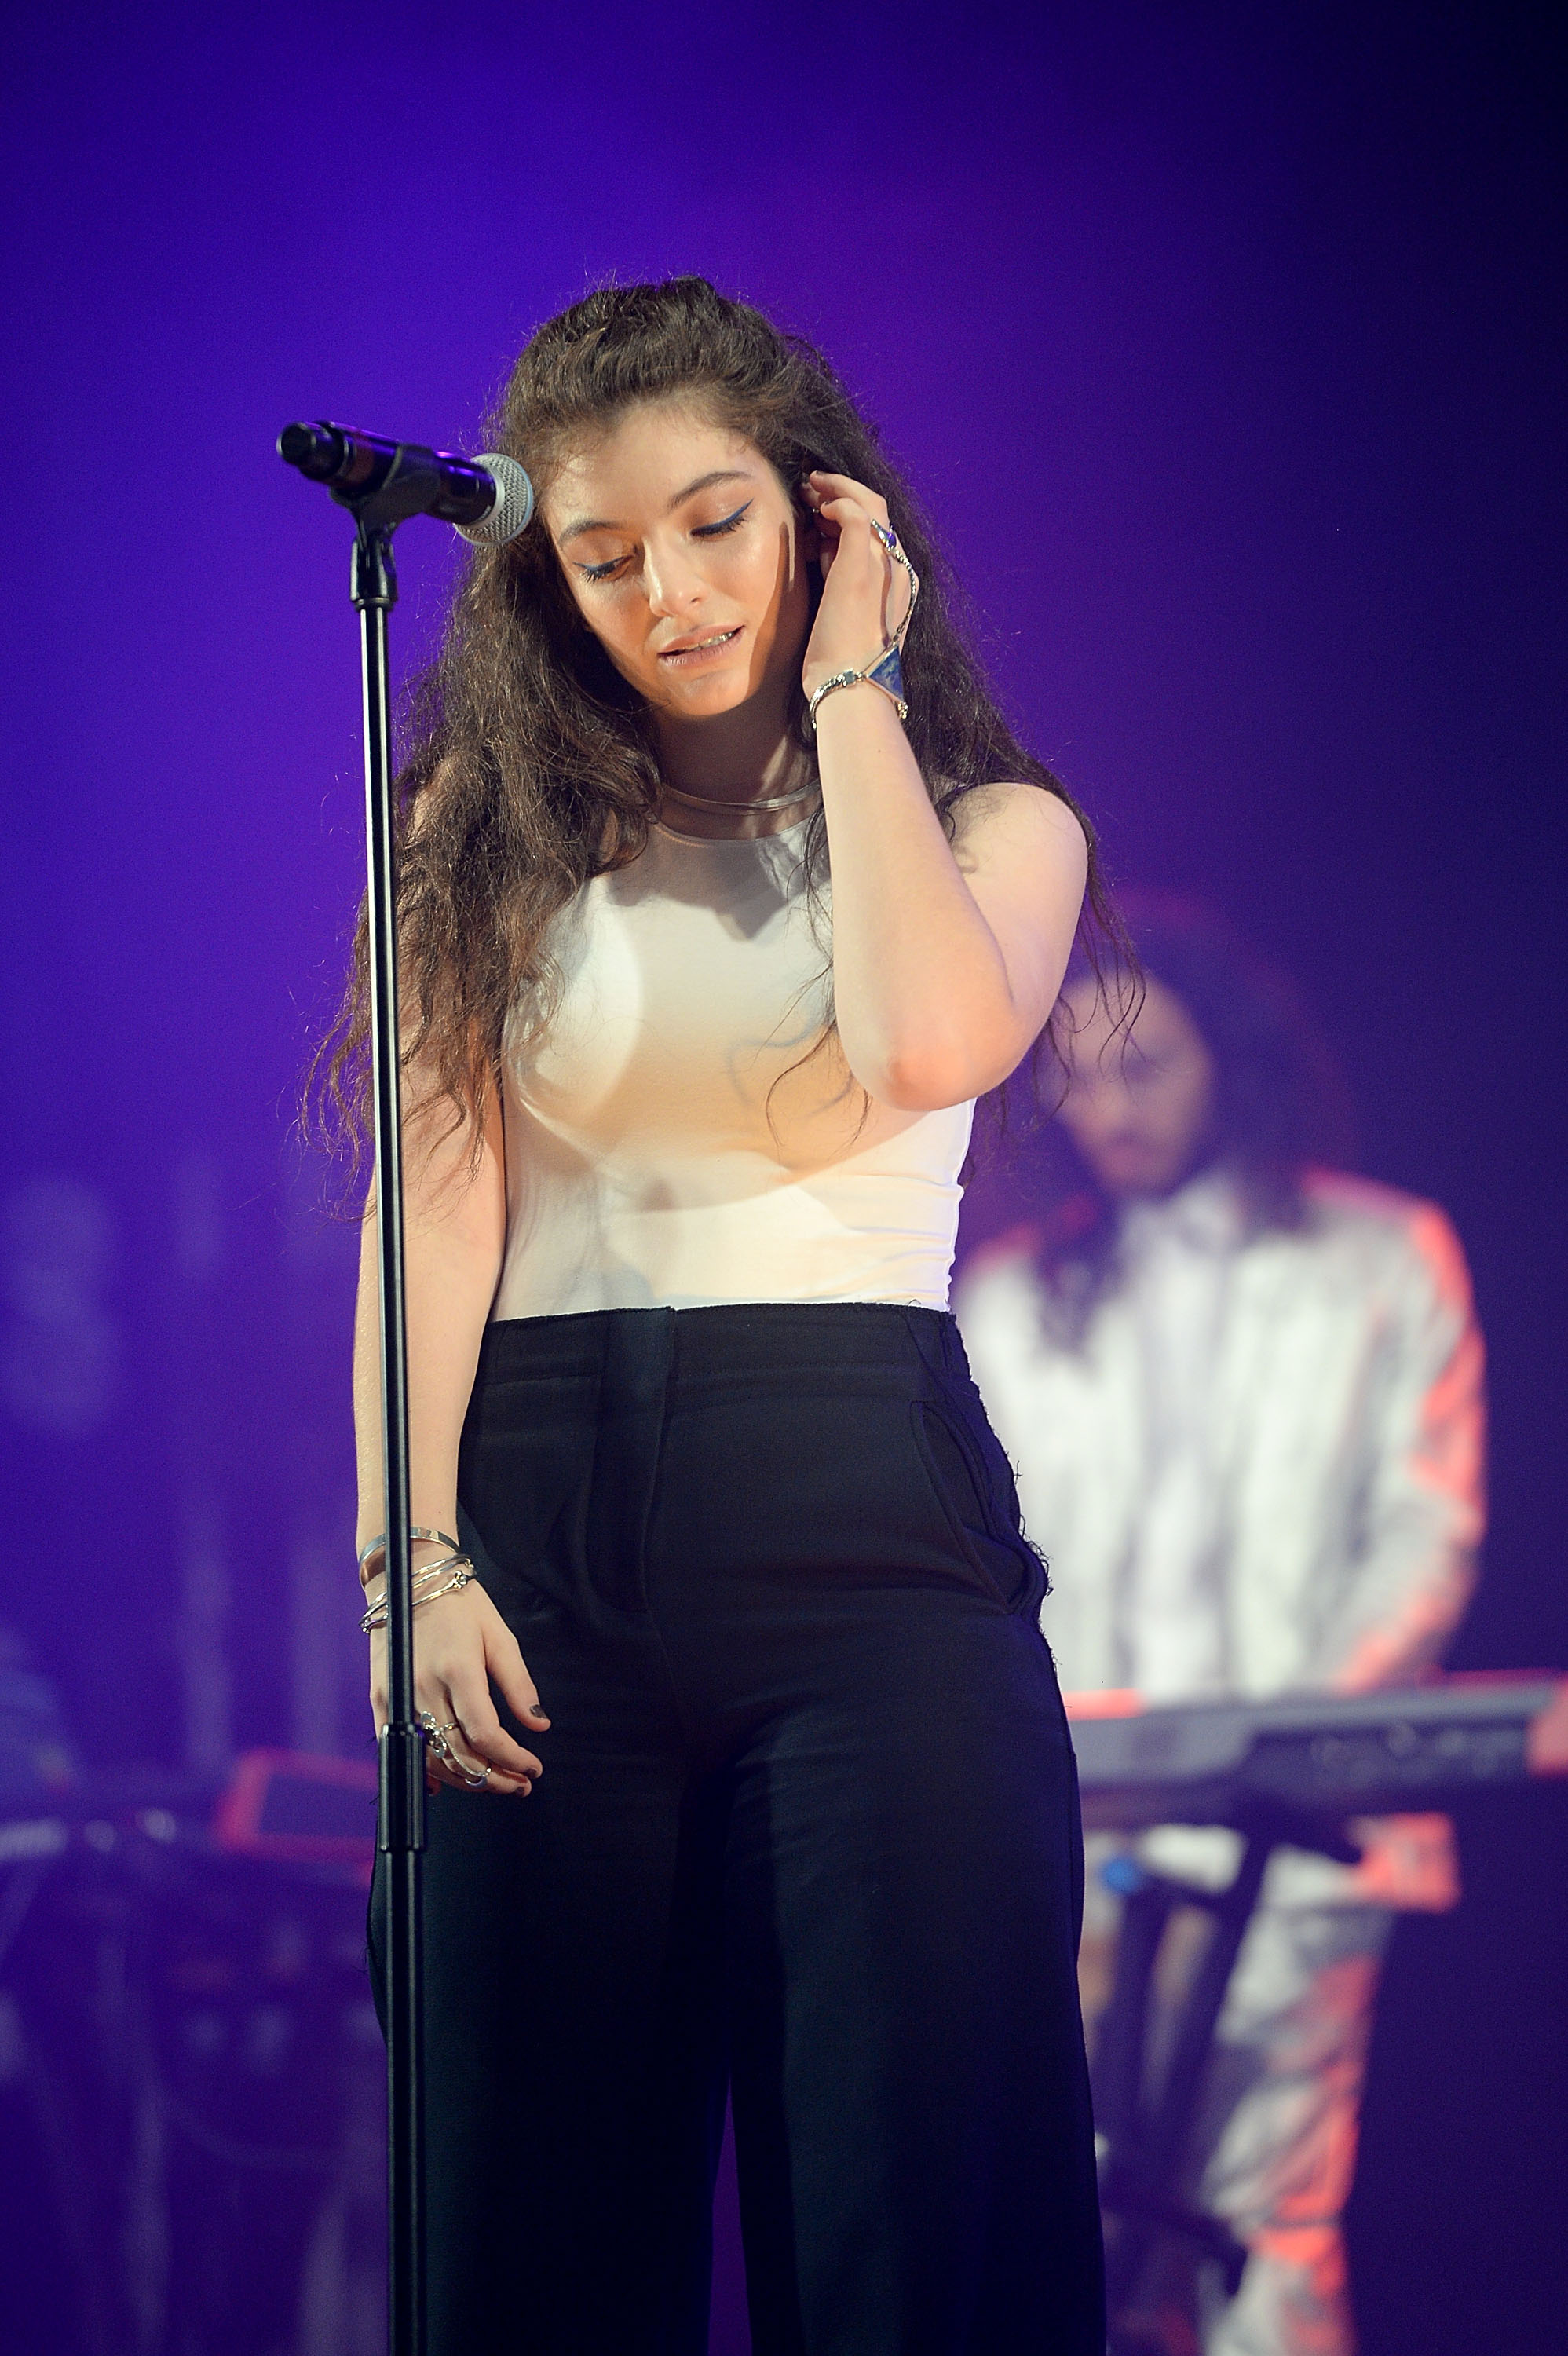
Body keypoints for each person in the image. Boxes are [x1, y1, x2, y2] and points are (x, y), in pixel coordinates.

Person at [316, 279, 1109, 2355]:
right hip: (538, 1544)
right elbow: (434, 1209)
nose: (665, 595)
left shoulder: (993, 829)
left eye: (713, 524)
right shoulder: (479, 836)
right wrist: (409, 1566)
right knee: (527, 2241)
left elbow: (924, 1044)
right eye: (600, 555)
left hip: (867, 1541)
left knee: (908, 2239)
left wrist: (851, 687)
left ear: (823, 513)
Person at [955, 894, 1486, 2356]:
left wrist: (1298, 1740)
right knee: (1066, 2221)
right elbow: (989, 1572)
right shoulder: (1010, 1300)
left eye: (1144, 1067)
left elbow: (1423, 1536)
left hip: (1304, 1827)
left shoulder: (1385, 1260)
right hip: (1077, 1832)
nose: (1109, 1111)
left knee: (1264, 2218)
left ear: (1226, 1056)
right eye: (1076, 1080)